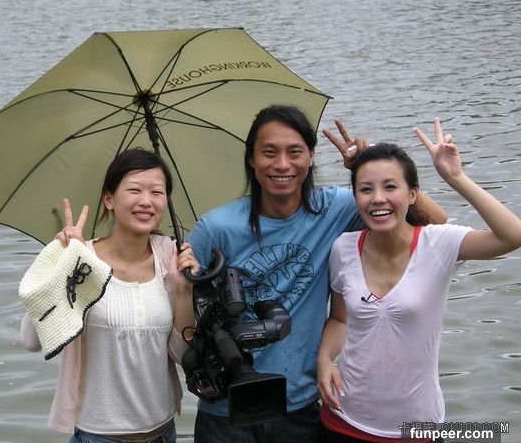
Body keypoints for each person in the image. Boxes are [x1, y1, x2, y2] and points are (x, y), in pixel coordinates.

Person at [186, 104, 447, 443]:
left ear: (311, 157)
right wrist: (195, 366)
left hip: (301, 405)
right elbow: (181, 304)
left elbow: (433, 224)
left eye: (295, 152)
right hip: (227, 410)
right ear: (251, 159)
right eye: (269, 152)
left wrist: (367, 165)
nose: (283, 165)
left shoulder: (336, 209)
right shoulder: (216, 227)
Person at [316, 118, 521, 442]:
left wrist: (455, 177)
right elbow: (340, 320)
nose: (378, 198)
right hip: (343, 419)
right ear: (355, 197)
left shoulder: (438, 243)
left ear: (413, 194)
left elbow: (512, 236)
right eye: (366, 189)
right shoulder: (343, 248)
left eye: (390, 187)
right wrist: (324, 359)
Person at [19, 148, 200, 443]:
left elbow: (182, 356)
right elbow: (31, 340)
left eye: (157, 192)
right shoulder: (82, 259)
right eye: (134, 190)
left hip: (163, 432)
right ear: (109, 199)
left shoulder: (170, 256)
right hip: (98, 435)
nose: (146, 201)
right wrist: (60, 265)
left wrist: (183, 290)